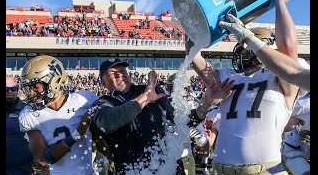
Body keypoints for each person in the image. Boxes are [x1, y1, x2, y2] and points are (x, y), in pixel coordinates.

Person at [186, 0, 299, 174]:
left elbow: (288, 50)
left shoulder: (278, 77)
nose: (241, 53)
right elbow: (195, 57)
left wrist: (280, 3)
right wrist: (193, 21)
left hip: (266, 170)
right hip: (222, 169)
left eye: (246, 49)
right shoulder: (229, 77)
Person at [90, 58, 234, 174]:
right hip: (133, 170)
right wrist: (146, 97)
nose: (119, 74)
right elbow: (109, 122)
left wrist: (207, 103)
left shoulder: (153, 91)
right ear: (103, 82)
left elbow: (183, 120)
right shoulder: (103, 103)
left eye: (122, 71)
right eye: (112, 73)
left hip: (168, 168)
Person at [18, 55, 99, 174]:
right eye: (28, 88)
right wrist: (77, 134)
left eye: (35, 86)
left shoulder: (83, 100)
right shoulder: (29, 115)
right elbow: (43, 160)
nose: (30, 92)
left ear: (54, 81)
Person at [218, 0, 310, 92]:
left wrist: (280, 2)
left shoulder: (282, 71)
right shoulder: (232, 75)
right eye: (242, 53)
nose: (242, 57)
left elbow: (288, 50)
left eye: (247, 52)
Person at [6, 76, 33, 175]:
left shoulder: (27, 111)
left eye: (13, 89)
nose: (9, 92)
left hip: (20, 170)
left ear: (17, 90)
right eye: (6, 89)